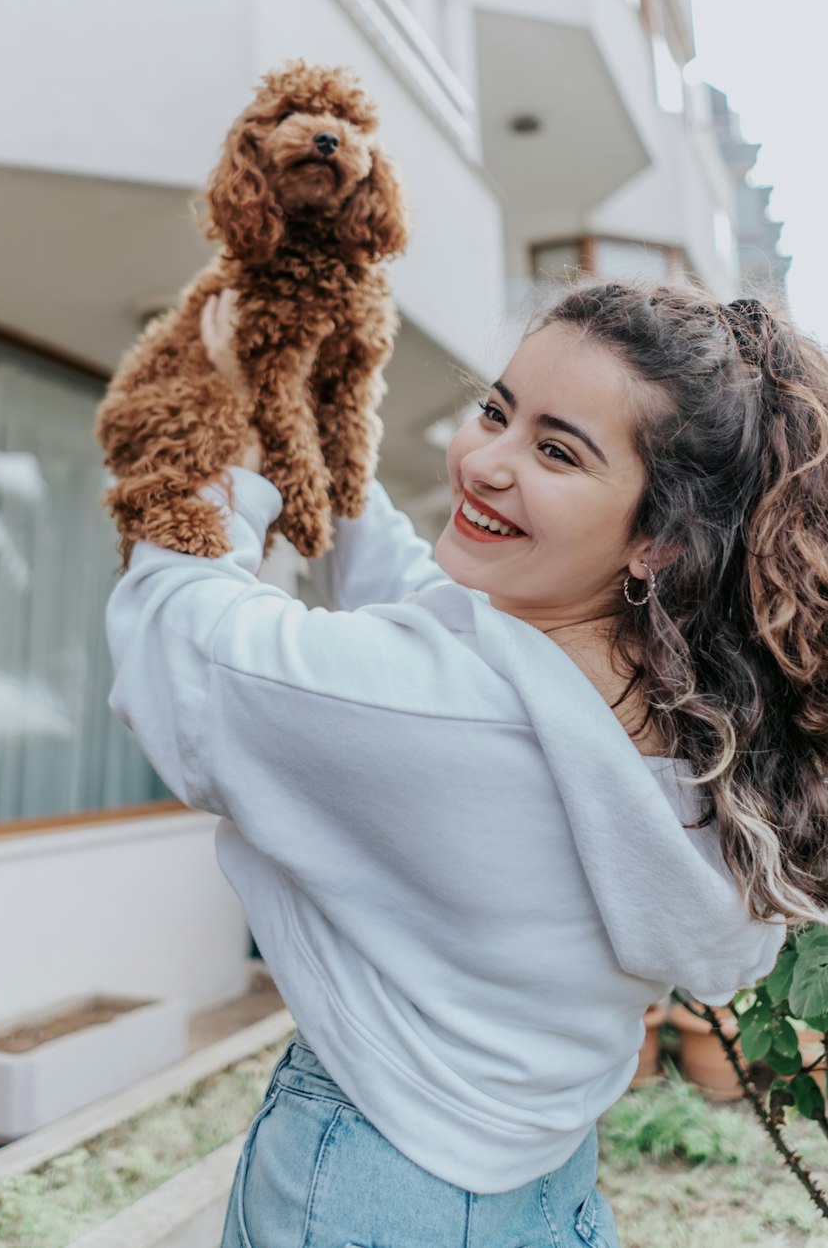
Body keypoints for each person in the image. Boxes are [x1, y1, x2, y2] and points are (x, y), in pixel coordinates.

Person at [105, 280, 828, 1248]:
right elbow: (442, 612)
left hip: (368, 1191)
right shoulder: (674, 723)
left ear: (657, 539)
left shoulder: (456, 710)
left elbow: (180, 651)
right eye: (495, 409)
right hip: (543, 1187)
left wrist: (226, 417)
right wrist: (334, 437)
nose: (485, 459)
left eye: (555, 449)